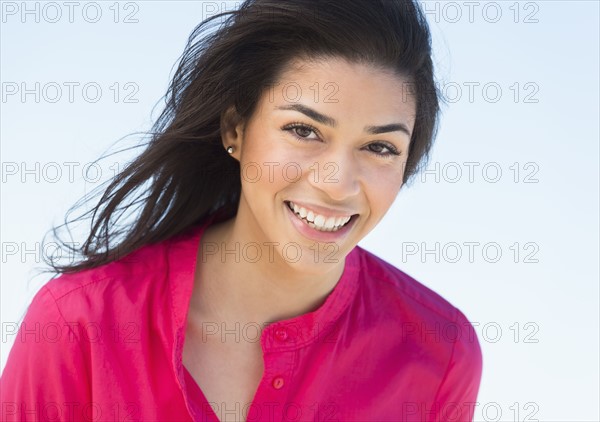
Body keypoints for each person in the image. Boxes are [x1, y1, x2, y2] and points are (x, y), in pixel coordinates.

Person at [1, 0, 483, 421]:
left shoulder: (439, 352)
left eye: (379, 147)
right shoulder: (78, 323)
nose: (337, 183)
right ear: (236, 129)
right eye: (303, 130)